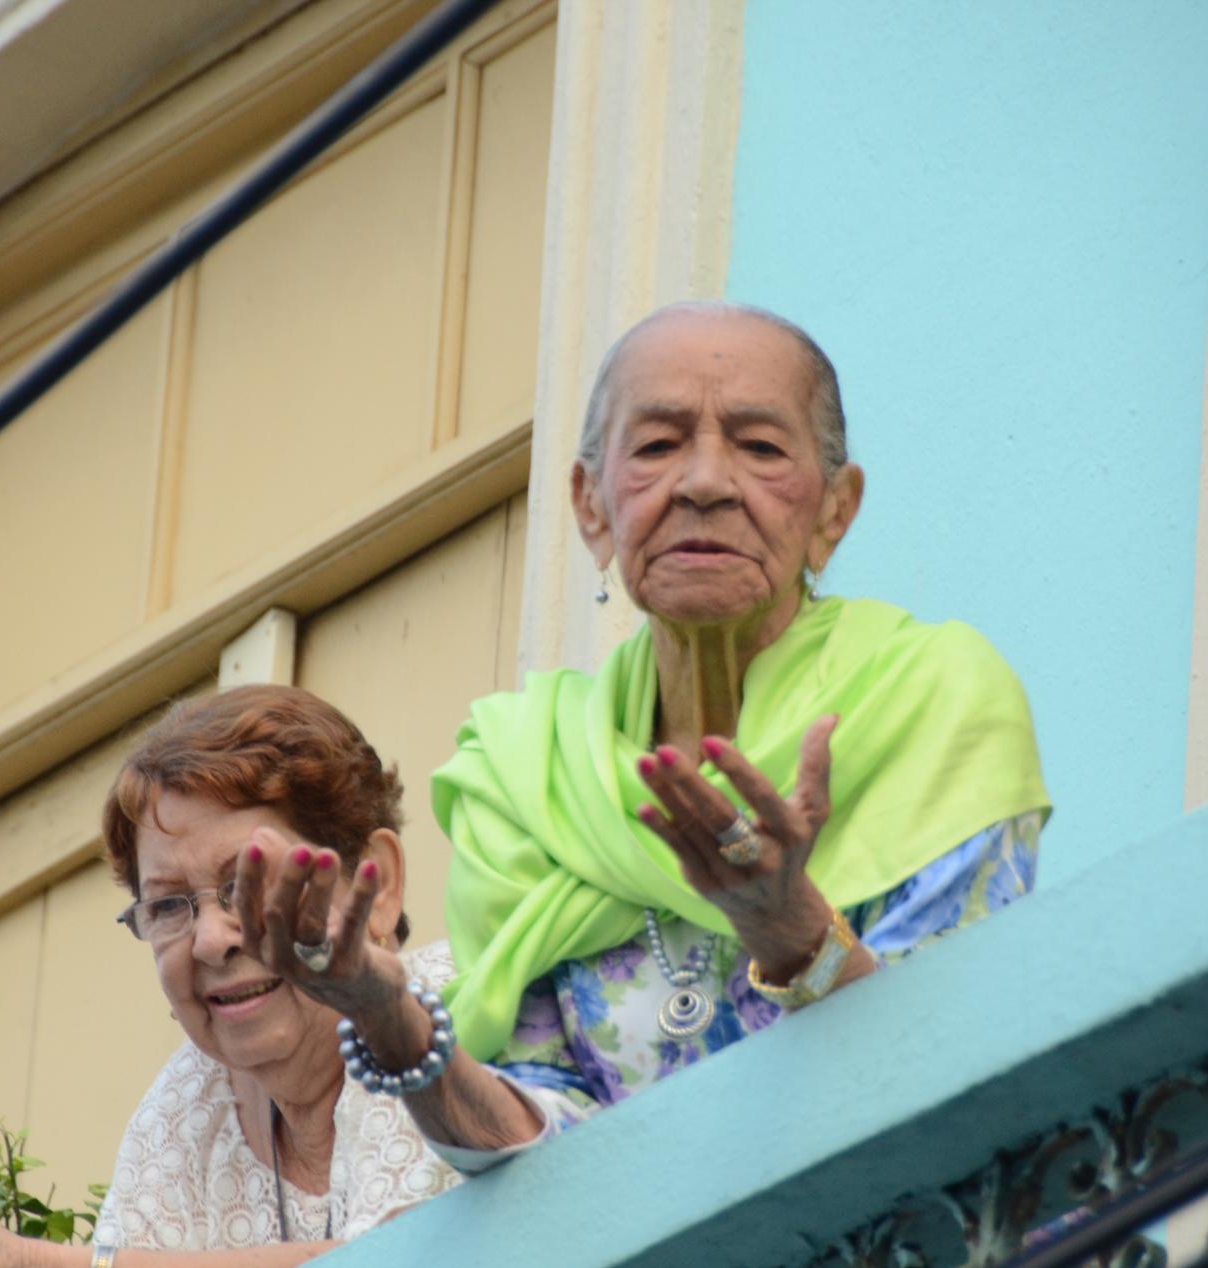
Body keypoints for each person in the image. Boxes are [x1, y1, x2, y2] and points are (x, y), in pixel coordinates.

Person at [237, 301, 1050, 1169]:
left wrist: (792, 929)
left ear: (834, 512)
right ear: (592, 507)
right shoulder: (523, 772)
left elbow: (965, 1084)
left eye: (762, 447)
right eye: (658, 447)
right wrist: (383, 1014)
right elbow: (534, 1163)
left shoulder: (934, 697)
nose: (704, 482)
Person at [0, 686, 458, 1268]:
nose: (210, 939)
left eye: (247, 884)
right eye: (171, 904)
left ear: (380, 883)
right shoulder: (187, 1109)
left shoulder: (468, 1009)